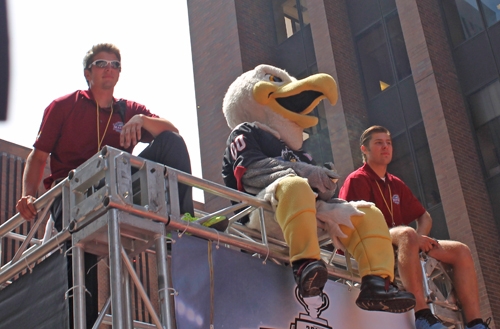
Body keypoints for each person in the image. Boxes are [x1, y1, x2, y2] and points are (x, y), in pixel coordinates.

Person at [15, 43, 194, 328]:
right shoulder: (64, 106)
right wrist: (28, 194)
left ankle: (183, 226)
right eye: (102, 63)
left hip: (119, 189)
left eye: (115, 65)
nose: (109, 68)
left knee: (170, 143)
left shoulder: (129, 110)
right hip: (73, 194)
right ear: (88, 73)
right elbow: (37, 158)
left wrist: (143, 119)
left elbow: (172, 133)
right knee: (79, 271)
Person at [339, 125, 490, 329]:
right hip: (373, 240)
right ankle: (422, 316)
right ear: (364, 150)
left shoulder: (396, 183)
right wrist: (412, 237)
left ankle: (476, 323)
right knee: (406, 233)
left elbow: (424, 216)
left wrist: (419, 238)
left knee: (461, 251)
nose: (386, 147)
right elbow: (353, 220)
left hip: (404, 241)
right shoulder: (357, 179)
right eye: (379, 143)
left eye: (389, 143)